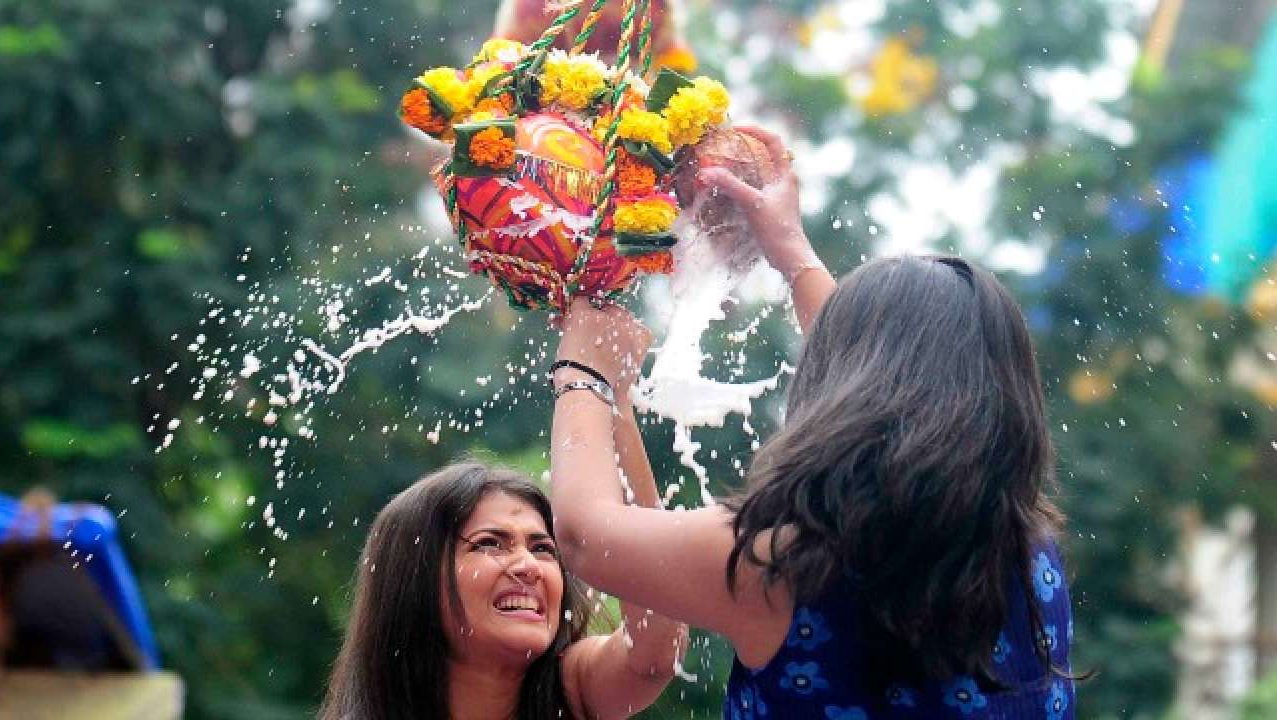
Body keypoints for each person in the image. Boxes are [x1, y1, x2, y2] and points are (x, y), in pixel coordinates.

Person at [548, 126, 1078, 717]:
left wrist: (583, 369)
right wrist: (792, 250)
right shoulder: (1028, 553)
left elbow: (585, 537)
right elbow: (887, 379)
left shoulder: (784, 565)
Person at [319, 461, 686, 720]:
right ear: (415, 577)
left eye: (543, 548)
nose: (529, 566)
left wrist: (610, 400)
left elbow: (654, 652)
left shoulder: (571, 692)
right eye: (490, 544)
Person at [492, 0, 697, 74]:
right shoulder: (530, 6)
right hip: (550, 111)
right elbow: (501, 62)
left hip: (632, 115)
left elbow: (674, 68)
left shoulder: (657, 7)